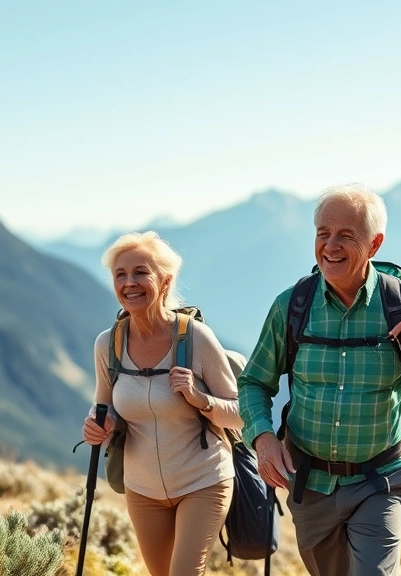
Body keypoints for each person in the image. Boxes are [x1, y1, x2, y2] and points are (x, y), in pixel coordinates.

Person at [237, 183, 401, 576]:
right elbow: (254, 383)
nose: (331, 245)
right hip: (309, 482)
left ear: (374, 244)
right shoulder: (291, 306)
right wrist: (262, 439)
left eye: (346, 235)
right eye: (323, 234)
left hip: (381, 479)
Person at [83, 231, 243, 576]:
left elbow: (241, 413)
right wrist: (99, 424)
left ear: (165, 280)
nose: (130, 283)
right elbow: (103, 407)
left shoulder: (195, 338)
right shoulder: (106, 345)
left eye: (141, 272)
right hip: (141, 489)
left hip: (203, 480)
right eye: (120, 274)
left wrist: (199, 399)